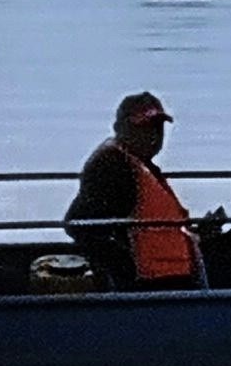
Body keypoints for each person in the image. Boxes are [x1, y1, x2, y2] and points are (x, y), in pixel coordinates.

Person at [64, 91, 202, 289]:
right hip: (151, 282)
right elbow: (80, 225)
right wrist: (123, 270)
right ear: (120, 128)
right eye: (143, 127)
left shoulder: (141, 166)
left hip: (168, 277)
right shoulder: (113, 165)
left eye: (157, 127)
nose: (153, 135)